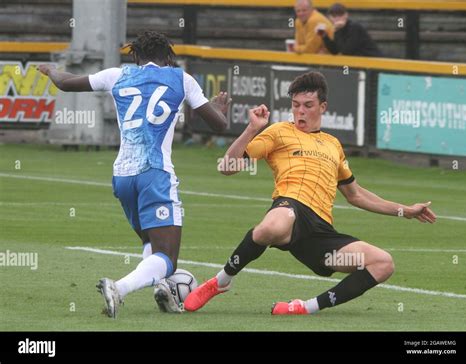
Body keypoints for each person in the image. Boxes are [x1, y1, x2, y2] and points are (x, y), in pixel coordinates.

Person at [184, 71, 436, 315]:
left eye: (307, 105)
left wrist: (406, 211)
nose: (300, 111)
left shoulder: (333, 145)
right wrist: (252, 129)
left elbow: (356, 195)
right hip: (290, 207)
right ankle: (221, 281)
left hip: (320, 234)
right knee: (270, 227)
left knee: (383, 263)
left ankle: (305, 307)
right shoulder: (279, 131)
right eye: (295, 105)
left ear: (323, 106)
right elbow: (227, 168)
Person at [38, 31, 230, 318]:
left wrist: (52, 70)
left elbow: (65, 83)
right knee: (167, 257)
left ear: (136, 57)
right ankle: (119, 287)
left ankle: (162, 289)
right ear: (168, 57)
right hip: (155, 173)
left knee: (151, 244)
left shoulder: (117, 75)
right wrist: (221, 108)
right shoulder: (182, 78)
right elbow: (219, 126)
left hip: (123, 175)